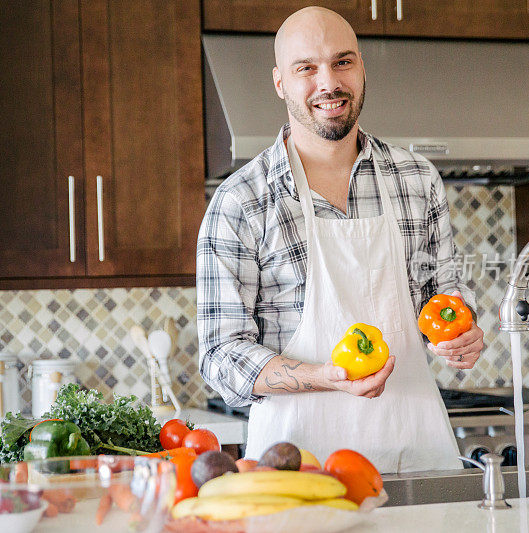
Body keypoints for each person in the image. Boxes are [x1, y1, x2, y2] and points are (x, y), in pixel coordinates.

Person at [197, 6, 484, 473]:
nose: (328, 82)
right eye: (306, 68)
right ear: (280, 83)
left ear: (361, 68)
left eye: (343, 62)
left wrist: (460, 334)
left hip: (419, 458)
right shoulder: (241, 202)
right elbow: (221, 355)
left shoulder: (417, 180)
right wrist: (325, 378)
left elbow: (444, 295)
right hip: (297, 469)